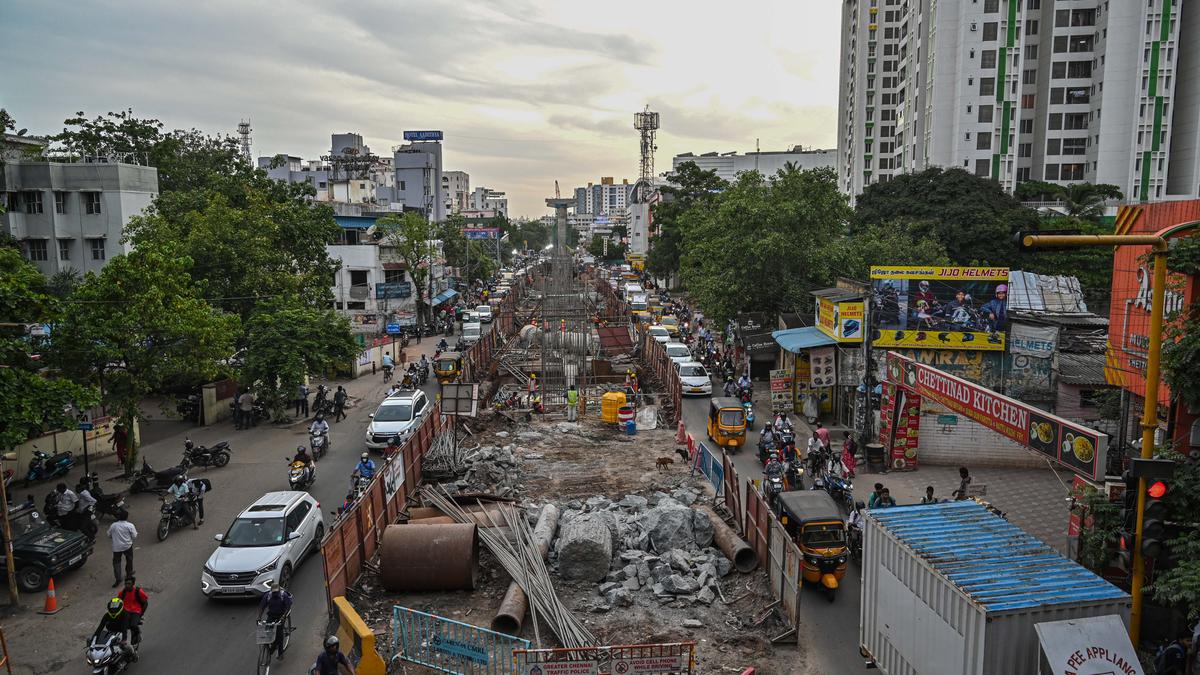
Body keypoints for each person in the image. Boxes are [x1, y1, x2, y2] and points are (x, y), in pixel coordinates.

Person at [92, 597, 137, 661]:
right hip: (113, 631)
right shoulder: (106, 615)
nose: (113, 610)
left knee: (126, 646)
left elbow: (124, 628)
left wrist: (124, 639)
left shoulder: (125, 614)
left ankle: (134, 654)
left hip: (125, 630)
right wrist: (94, 638)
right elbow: (100, 628)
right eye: (112, 608)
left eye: (115, 608)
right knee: (108, 645)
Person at [258, 582, 294, 661]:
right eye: (273, 592)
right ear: (271, 591)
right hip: (271, 615)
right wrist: (259, 617)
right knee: (267, 630)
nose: (275, 593)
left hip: (281, 615)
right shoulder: (267, 596)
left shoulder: (283, 596)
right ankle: (272, 644)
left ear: (278, 591)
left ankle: (280, 653)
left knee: (279, 635)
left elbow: (288, 607)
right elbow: (262, 607)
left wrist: (283, 617)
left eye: (276, 592)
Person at [108, 509, 137, 587]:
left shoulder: (113, 525)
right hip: (127, 546)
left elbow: (109, 535)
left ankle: (118, 578)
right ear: (126, 517)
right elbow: (134, 536)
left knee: (116, 562)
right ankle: (129, 574)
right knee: (129, 559)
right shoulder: (130, 525)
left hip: (116, 547)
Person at [116, 576, 149, 647]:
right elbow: (117, 601)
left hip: (136, 611)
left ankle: (137, 633)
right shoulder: (123, 592)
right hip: (126, 611)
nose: (127, 586)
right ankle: (124, 639)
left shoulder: (138, 591)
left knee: (133, 625)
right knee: (121, 624)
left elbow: (145, 603)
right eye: (126, 584)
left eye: (129, 584)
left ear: (133, 584)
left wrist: (141, 614)